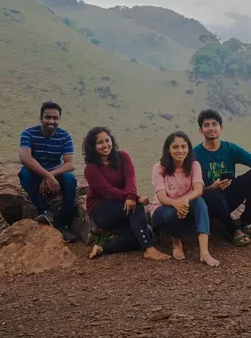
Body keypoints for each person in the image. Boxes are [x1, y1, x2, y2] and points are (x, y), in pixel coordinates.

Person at [83, 127, 171, 261]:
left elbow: (130, 178)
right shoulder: (91, 168)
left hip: (122, 204)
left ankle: (102, 248)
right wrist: (135, 198)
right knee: (137, 207)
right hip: (100, 208)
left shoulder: (122, 157)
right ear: (92, 146)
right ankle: (149, 249)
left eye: (107, 140)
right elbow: (107, 191)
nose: (105, 145)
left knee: (143, 234)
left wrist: (131, 196)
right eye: (100, 142)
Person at [193, 109, 251, 247]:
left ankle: (247, 222)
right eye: (206, 125)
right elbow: (191, 188)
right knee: (214, 194)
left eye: (214, 124)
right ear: (201, 130)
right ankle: (232, 229)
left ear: (221, 128)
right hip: (208, 202)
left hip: (229, 198)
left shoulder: (230, 148)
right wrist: (213, 187)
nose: (211, 128)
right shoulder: (195, 154)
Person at [149, 131, 220, 267]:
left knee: (200, 202)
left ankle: (204, 252)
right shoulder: (159, 167)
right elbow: (162, 197)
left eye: (183, 146)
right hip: (162, 209)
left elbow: (198, 190)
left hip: (185, 205)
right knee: (171, 213)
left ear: (188, 149)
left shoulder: (194, 166)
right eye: (175, 147)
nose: (180, 151)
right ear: (168, 149)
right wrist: (176, 204)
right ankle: (176, 242)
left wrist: (184, 201)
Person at [18, 101, 78, 242]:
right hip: (36, 173)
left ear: (59, 120)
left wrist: (51, 176)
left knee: (70, 180)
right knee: (24, 174)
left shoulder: (65, 136)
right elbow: (25, 158)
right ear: (41, 118)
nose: (51, 121)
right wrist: (46, 175)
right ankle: (45, 211)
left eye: (55, 118)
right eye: (48, 117)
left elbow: (70, 164)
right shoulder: (28, 133)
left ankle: (63, 224)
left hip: (55, 173)